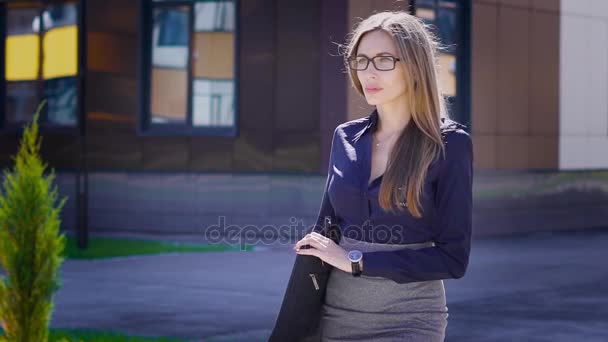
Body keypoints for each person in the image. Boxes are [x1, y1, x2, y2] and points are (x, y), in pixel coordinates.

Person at [292, 11, 474, 342]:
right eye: (361, 61)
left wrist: (355, 260)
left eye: (384, 60)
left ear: (414, 66)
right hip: (339, 317)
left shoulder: (450, 145)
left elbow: (453, 259)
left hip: (411, 320)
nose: (369, 72)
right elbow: (325, 232)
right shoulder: (344, 138)